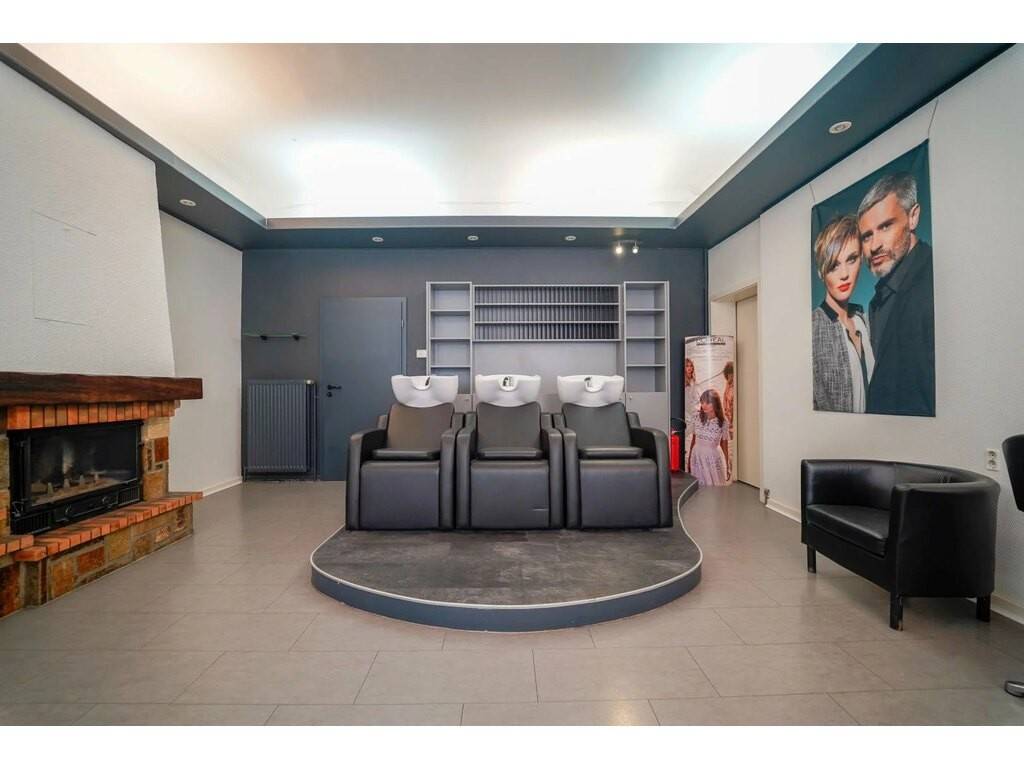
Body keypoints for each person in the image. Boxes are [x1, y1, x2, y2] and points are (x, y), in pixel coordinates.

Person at [857, 172, 935, 416]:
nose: (874, 246)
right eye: (866, 236)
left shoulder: (934, 280)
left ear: (913, 217)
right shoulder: (878, 300)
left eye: (885, 226)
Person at [811, 214, 875, 412]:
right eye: (834, 265)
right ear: (822, 272)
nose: (845, 274)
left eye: (851, 259)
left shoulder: (866, 321)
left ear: (861, 259)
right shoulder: (812, 329)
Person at [687, 389, 731, 486]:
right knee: (699, 488)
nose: (704, 405)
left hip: (713, 458)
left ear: (715, 403)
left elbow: (724, 446)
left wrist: (727, 466)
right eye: (702, 402)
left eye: (708, 403)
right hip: (697, 456)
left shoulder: (723, 422)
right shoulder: (697, 418)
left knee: (714, 487)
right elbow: (694, 440)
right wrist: (689, 459)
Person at [683, 357, 699, 438]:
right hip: (687, 407)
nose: (689, 368)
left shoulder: (693, 379)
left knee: (694, 426)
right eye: (687, 366)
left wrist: (697, 405)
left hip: (693, 407)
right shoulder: (684, 381)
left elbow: (695, 395)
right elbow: (687, 397)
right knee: (690, 426)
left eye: (691, 366)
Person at [722, 361, 735, 435]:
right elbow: (724, 398)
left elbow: (732, 404)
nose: (730, 376)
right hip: (728, 416)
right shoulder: (728, 384)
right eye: (728, 374)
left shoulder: (734, 386)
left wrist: (731, 421)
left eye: (731, 374)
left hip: (732, 419)